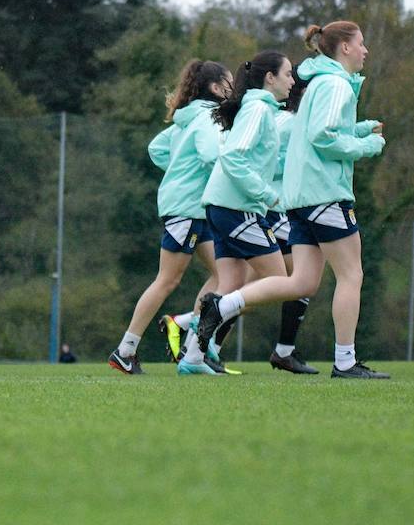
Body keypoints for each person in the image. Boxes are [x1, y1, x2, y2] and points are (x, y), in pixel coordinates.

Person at [192, 21, 389, 380]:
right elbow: (322, 136)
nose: (365, 50)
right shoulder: (335, 84)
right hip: (325, 194)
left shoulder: (318, 85)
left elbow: (305, 130)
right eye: (361, 43)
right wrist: (366, 146)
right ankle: (345, 361)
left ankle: (221, 306)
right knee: (352, 275)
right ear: (344, 48)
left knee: (301, 284)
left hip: (300, 201)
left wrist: (359, 129)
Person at [108, 60, 230, 376]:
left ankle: (193, 347)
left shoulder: (188, 118)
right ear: (216, 88)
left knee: (224, 275)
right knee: (168, 280)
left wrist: (180, 170)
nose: (234, 89)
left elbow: (158, 148)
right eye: (229, 83)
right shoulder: (207, 116)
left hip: (192, 207)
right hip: (186, 208)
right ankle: (125, 351)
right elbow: (210, 154)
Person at [186, 50, 297, 376]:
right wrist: (266, 195)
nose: (293, 81)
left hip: (223, 206)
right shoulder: (258, 110)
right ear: (270, 78)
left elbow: (256, 159)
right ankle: (211, 311)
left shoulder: (259, 109)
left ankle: (192, 358)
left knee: (232, 282)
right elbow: (233, 158)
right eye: (288, 74)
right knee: (280, 279)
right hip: (235, 208)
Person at [266, 71, 318, 374]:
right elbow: (267, 164)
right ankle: (190, 328)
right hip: (275, 210)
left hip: (279, 210)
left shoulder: (288, 121)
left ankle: (284, 351)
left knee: (298, 282)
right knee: (297, 281)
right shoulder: (290, 123)